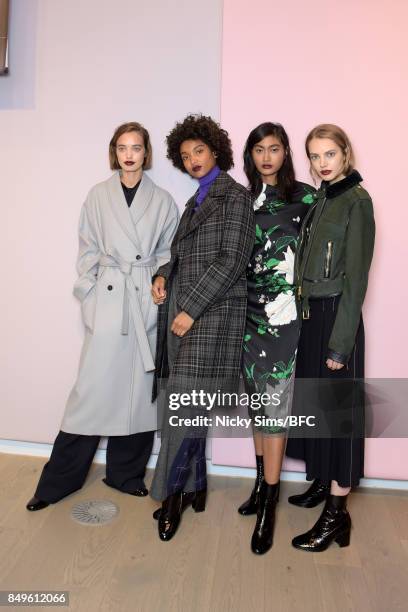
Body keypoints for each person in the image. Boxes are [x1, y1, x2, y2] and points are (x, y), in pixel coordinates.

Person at [26, 122, 179, 511]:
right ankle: (58, 481)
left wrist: (160, 277)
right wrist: (89, 293)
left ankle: (125, 475)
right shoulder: (98, 196)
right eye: (123, 147)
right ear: (115, 151)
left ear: (147, 153)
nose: (129, 154)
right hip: (110, 296)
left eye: (137, 147)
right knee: (90, 393)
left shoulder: (162, 201)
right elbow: (88, 248)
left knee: (138, 396)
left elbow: (167, 251)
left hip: (144, 298)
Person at [150, 114, 255, 541]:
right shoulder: (194, 202)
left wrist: (190, 308)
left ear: (215, 151)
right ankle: (197, 485)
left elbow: (231, 260)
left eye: (199, 150)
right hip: (181, 312)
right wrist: (161, 275)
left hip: (209, 317)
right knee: (186, 405)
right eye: (185, 154)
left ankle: (170, 497)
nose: (193, 159)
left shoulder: (235, 197)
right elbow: (180, 256)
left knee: (181, 409)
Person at [286, 124, 375, 551]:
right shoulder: (323, 197)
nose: (322, 164)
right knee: (315, 408)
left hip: (338, 317)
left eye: (329, 155)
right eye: (315, 156)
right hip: (312, 314)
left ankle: (337, 518)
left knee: (338, 420)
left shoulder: (357, 202)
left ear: (345, 154)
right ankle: (322, 484)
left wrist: (341, 344)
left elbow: (356, 280)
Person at [239, 122, 315, 554]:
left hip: (284, 315)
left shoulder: (305, 198)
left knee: (275, 406)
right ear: (250, 155)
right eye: (258, 150)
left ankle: (270, 501)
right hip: (246, 312)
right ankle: (258, 483)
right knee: (256, 406)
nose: (266, 157)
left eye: (274, 149)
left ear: (285, 153)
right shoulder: (242, 199)